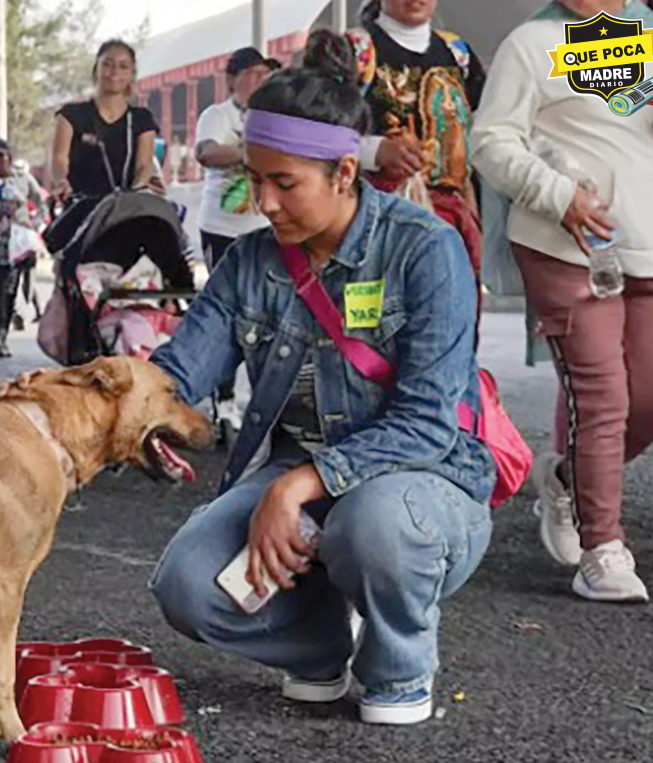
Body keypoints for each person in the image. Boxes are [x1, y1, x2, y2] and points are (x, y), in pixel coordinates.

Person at [147, 31, 494, 726]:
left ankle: (398, 663)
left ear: (343, 173)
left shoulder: (426, 249)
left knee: (373, 525)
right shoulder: (249, 262)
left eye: (284, 183)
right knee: (184, 583)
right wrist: (77, 404)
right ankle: (320, 642)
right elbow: (173, 375)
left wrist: (300, 482)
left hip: (421, 480)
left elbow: (428, 421)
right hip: (294, 478)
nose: (264, 202)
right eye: (254, 177)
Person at [471, 0, 653, 603]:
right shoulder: (530, 45)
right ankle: (603, 548)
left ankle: (567, 477)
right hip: (567, 246)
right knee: (602, 397)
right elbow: (490, 142)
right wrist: (558, 194)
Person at [348, 0, 487, 289]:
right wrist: (375, 151)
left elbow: (490, 128)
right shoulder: (354, 51)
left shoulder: (457, 53)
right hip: (376, 223)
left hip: (455, 222)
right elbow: (313, 133)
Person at [195, 46, 273, 433]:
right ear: (232, 79)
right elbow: (208, 153)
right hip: (224, 230)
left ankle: (265, 401)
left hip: (269, 230)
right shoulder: (217, 115)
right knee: (231, 314)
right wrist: (253, 151)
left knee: (268, 317)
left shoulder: (275, 115)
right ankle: (223, 400)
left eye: (266, 73)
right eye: (253, 73)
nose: (261, 80)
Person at [50, 40, 161, 244]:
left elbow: (144, 165)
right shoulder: (71, 115)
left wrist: (133, 194)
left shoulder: (141, 119)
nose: (114, 72)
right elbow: (59, 160)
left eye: (123, 66)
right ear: (96, 68)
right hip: (80, 211)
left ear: (131, 75)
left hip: (124, 214)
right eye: (107, 64)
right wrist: (61, 181)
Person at [0, 137, 36, 359]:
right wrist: (4, 210)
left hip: (16, 248)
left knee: (10, 293)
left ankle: (2, 335)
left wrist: (30, 226)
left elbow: (35, 204)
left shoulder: (21, 181)